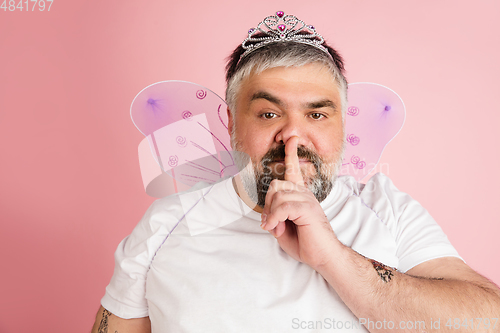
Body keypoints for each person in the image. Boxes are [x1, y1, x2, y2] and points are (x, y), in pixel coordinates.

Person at [92, 12, 500, 333]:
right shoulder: (165, 226)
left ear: (343, 126)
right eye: (269, 113)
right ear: (232, 123)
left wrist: (333, 258)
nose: (292, 135)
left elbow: (487, 322)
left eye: (317, 114)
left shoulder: (386, 209)